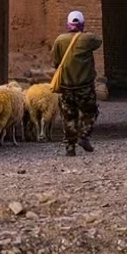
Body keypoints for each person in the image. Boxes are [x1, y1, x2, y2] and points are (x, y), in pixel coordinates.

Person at [50, 10, 102, 157]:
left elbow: (55, 61)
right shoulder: (88, 39)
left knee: (68, 117)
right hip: (84, 86)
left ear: (68, 24)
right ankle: (84, 135)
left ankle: (69, 147)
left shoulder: (60, 40)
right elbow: (98, 41)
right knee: (90, 112)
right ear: (81, 23)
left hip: (66, 86)